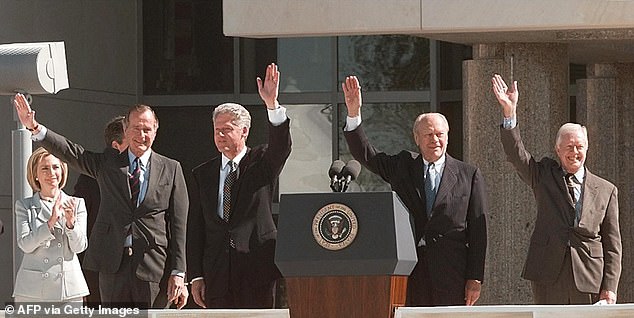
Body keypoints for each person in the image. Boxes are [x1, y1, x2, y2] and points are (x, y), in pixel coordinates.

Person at [13, 97, 189, 309]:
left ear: (155, 131)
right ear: (125, 129)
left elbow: (179, 225)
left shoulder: (171, 168)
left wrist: (178, 272)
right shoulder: (108, 164)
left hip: (153, 267)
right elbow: (71, 152)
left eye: (147, 129)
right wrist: (34, 127)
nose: (141, 135)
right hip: (112, 266)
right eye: (135, 128)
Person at [341, 76, 487, 306]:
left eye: (440, 134)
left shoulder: (468, 174)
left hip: (451, 274)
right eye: (428, 135)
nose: (435, 140)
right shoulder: (402, 166)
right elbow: (366, 155)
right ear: (417, 138)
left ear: (447, 136)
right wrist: (353, 114)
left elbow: (479, 232)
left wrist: (475, 277)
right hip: (409, 271)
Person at [492, 74, 622, 304]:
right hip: (548, 274)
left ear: (587, 148)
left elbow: (612, 246)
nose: (575, 152)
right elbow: (516, 154)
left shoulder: (606, 190)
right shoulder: (544, 176)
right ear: (558, 150)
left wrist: (609, 288)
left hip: (589, 276)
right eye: (569, 147)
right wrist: (509, 113)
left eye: (580, 146)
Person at [187, 63, 292, 308]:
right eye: (217, 131)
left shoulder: (261, 162)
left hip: (256, 271)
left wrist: (272, 105)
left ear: (244, 131)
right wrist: (196, 275)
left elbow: (281, 147)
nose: (220, 136)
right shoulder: (202, 174)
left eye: (227, 130)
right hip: (217, 274)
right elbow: (197, 228)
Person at [13, 147, 89, 303]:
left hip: (68, 289)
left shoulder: (77, 203)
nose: (51, 173)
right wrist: (50, 223)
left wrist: (70, 224)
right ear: (35, 175)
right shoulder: (24, 206)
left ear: (62, 171)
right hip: (32, 291)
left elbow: (80, 247)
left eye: (55, 167)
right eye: (45, 168)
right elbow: (25, 244)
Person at [73, 115, 127, 306]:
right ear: (116, 145)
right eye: (133, 136)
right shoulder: (90, 178)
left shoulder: (150, 173)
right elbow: (80, 228)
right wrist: (80, 278)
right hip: (98, 272)